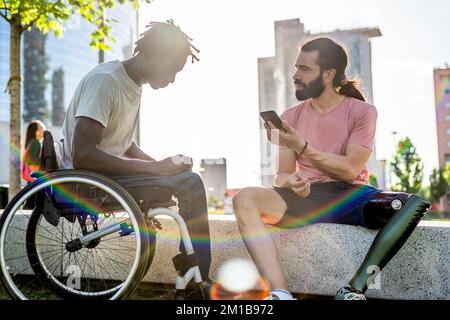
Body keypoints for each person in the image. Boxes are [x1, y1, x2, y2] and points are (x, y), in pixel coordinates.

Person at [232, 37, 430, 300]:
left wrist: (301, 146)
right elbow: (282, 174)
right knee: (244, 198)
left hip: (351, 196)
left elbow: (350, 170)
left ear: (328, 75)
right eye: (296, 68)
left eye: (304, 69)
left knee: (410, 205)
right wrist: (291, 182)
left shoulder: (363, 112)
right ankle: (280, 293)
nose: (295, 75)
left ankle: (353, 290)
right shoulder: (290, 116)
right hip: (306, 197)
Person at [58, 20, 211, 288]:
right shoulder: (106, 81)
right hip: (88, 179)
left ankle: (192, 276)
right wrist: (156, 170)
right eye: (172, 70)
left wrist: (164, 166)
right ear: (155, 55)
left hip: (107, 175)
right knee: (192, 183)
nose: (172, 79)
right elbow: (82, 154)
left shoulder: (132, 84)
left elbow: (124, 144)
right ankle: (197, 281)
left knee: (184, 178)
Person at [22, 120, 45, 209]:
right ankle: (28, 206)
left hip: (31, 171)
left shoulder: (31, 142)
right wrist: (42, 160)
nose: (42, 129)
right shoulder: (35, 143)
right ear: (34, 132)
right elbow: (32, 158)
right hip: (34, 171)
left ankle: (29, 205)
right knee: (33, 190)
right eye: (39, 128)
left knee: (32, 190)